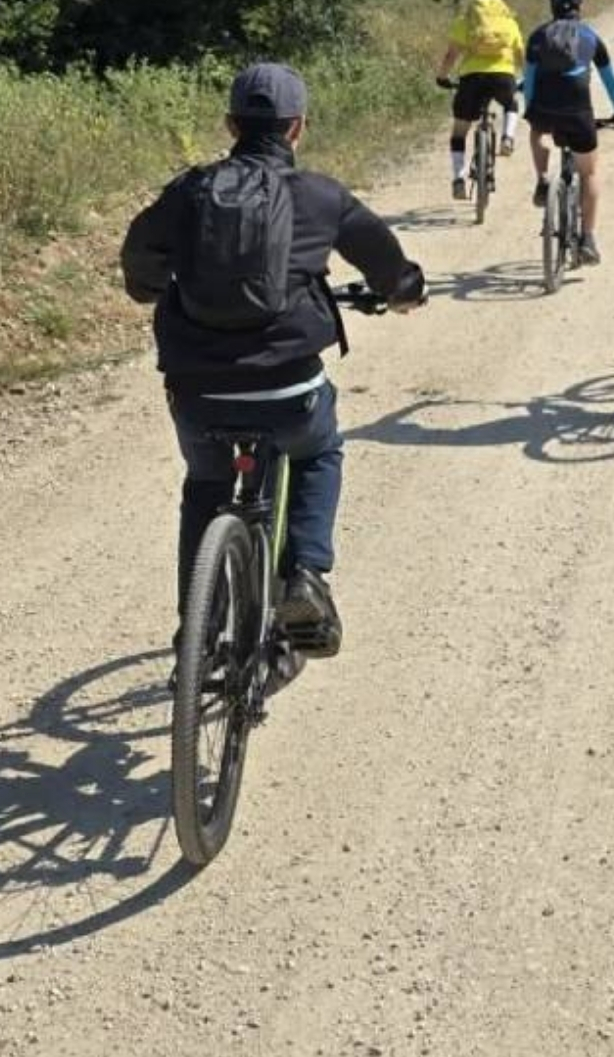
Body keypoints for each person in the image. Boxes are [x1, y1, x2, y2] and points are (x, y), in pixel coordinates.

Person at [121, 63, 425, 658]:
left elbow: (140, 258)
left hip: (198, 390)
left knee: (206, 484)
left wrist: (155, 287)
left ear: (231, 124)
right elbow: (388, 267)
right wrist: (404, 292)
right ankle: (307, 575)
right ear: (298, 129)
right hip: (288, 387)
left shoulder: (190, 191)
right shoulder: (321, 196)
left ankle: (201, 627)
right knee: (319, 450)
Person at [523, 0, 614, 267]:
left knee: (538, 134)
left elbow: (529, 81)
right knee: (590, 173)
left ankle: (543, 179)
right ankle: (588, 239)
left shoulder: (537, 36)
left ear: (552, 7)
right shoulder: (591, 36)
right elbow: (612, 82)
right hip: (578, 110)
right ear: (579, 7)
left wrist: (530, 110)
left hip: (544, 107)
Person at [435, 0, 526, 200]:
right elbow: (521, 55)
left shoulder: (465, 22)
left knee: (459, 132)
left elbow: (451, 55)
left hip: (471, 79)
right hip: (503, 76)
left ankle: (458, 178)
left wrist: (442, 76)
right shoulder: (509, 23)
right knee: (511, 104)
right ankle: (508, 138)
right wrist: (525, 79)